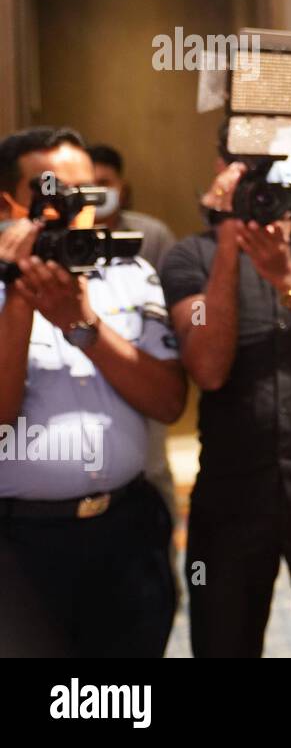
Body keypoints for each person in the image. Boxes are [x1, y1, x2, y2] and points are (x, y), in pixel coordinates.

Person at [159, 136, 291, 657]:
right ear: (220, 169)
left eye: (274, 162)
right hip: (231, 493)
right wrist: (229, 248)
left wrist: (287, 279)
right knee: (223, 642)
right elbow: (207, 370)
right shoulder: (191, 256)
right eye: (246, 163)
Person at [0, 126, 185, 657]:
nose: (70, 207)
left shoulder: (132, 272)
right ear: (9, 200)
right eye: (49, 190)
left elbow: (169, 402)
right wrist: (17, 297)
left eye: (84, 194)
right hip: (21, 544)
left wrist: (83, 325)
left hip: (126, 530)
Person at [87, 143, 180, 542]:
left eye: (103, 184)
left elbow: (167, 309)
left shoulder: (149, 237)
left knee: (152, 468)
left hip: (142, 360)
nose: (95, 194)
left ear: (122, 187)